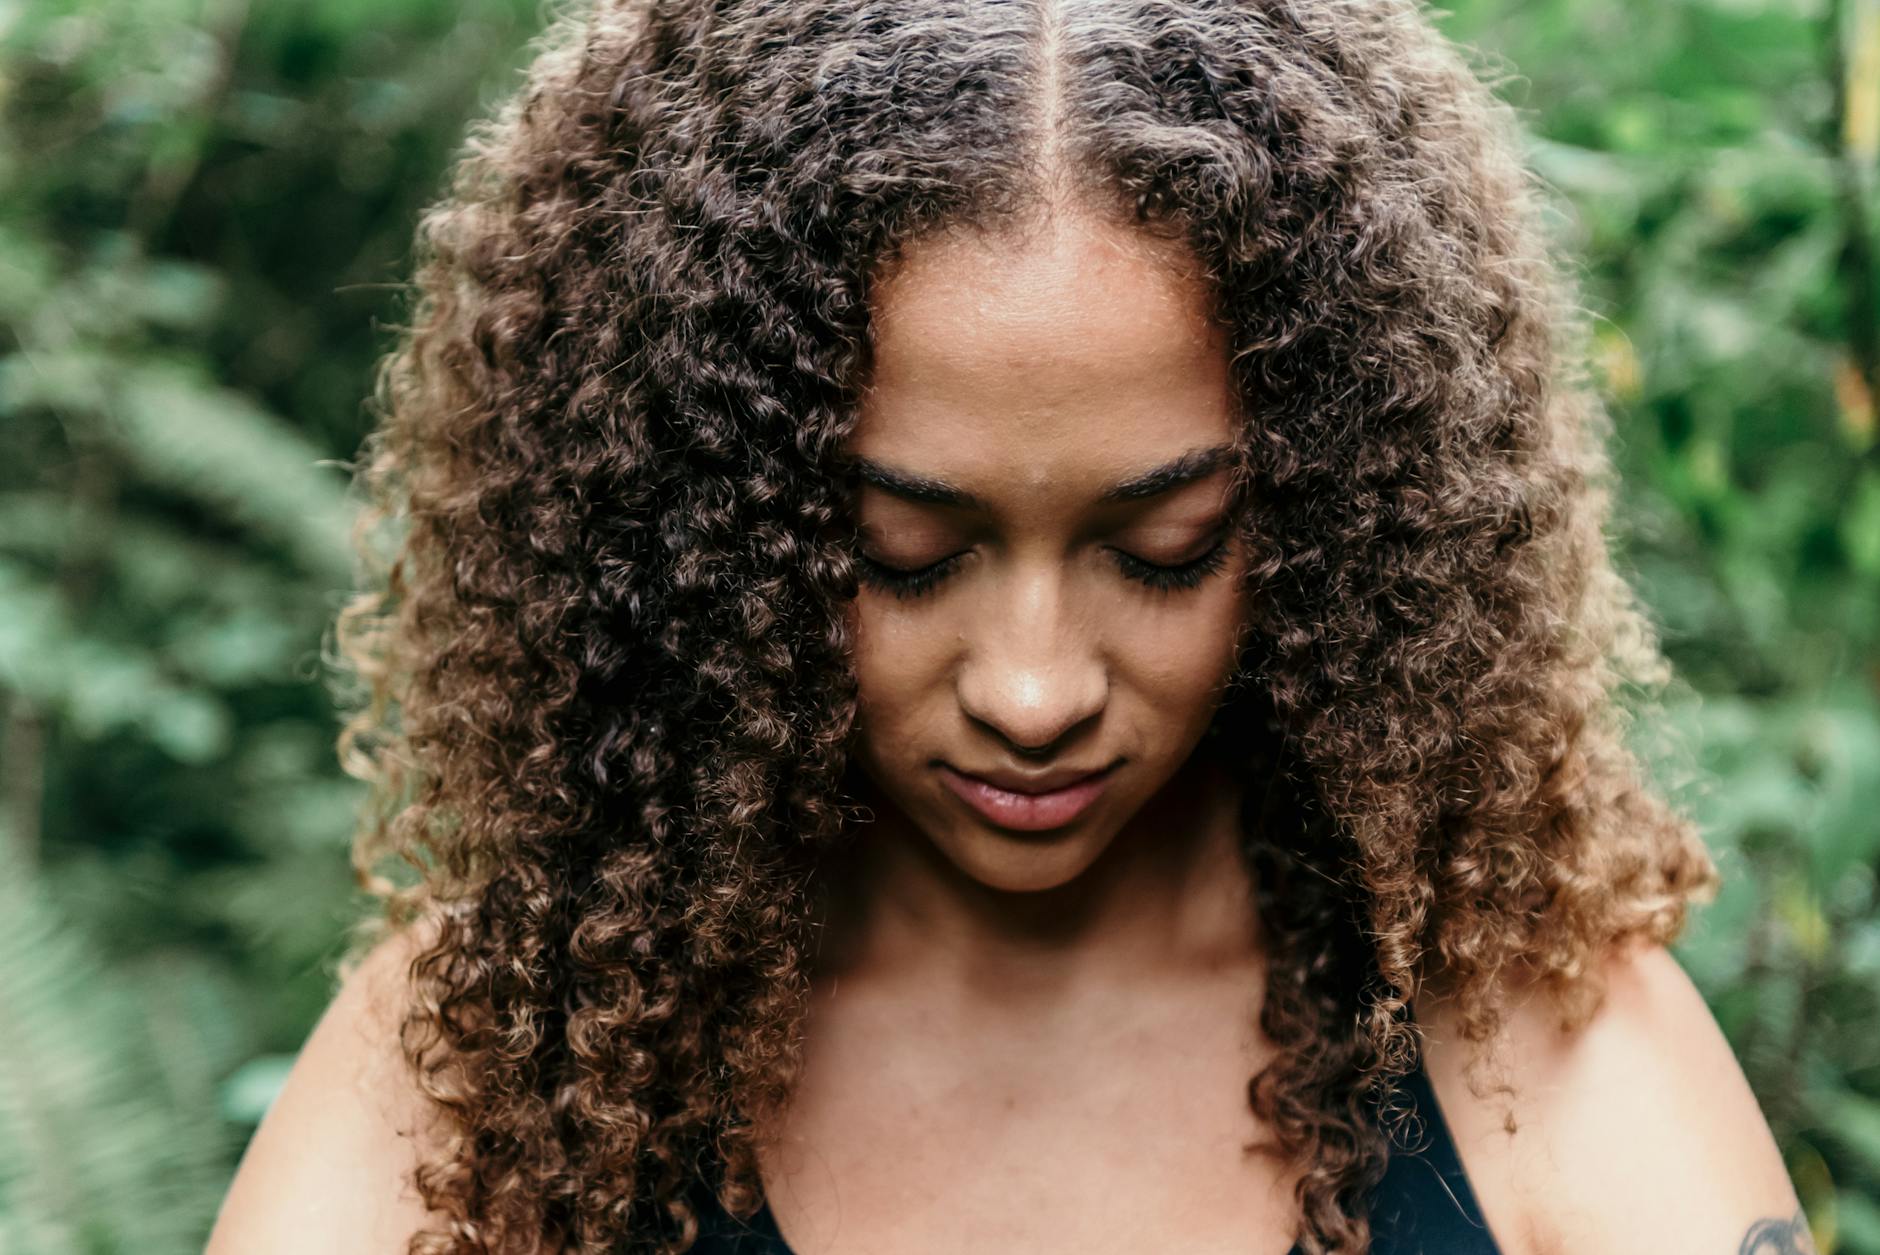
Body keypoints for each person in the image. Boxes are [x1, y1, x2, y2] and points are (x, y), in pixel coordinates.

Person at [205, 1, 1814, 1252]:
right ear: (705, 525)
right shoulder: (493, 1082)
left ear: (1336, 514)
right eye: (900, 554)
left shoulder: (1534, 1052)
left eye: (1166, 549)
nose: (1034, 688)